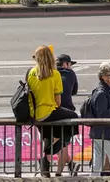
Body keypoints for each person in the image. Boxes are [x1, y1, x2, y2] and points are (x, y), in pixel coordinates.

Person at [27, 45, 77, 177]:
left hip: (34, 115)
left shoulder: (30, 72)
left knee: (48, 137)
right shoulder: (55, 74)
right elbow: (58, 102)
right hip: (49, 112)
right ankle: (63, 142)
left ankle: (45, 165)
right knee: (73, 117)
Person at [87, 62, 110, 175]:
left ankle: (93, 178)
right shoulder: (101, 93)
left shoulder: (102, 91)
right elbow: (102, 115)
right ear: (104, 77)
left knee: (98, 162)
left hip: (99, 132)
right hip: (105, 132)